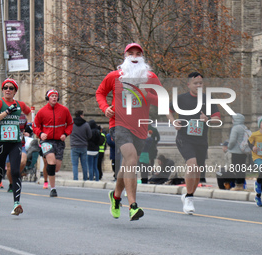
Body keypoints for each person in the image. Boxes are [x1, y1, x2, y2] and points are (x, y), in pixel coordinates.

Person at [96, 43, 163, 221]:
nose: (134, 56)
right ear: (125, 56)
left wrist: (146, 94)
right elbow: (100, 93)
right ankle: (133, 205)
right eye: (130, 53)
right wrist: (105, 108)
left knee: (127, 164)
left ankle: (116, 196)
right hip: (118, 124)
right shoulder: (115, 76)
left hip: (140, 127)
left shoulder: (150, 77)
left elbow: (162, 99)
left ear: (142, 57)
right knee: (131, 158)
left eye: (137, 54)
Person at [167, 72, 221, 214]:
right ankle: (190, 198)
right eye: (195, 83)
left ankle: (188, 194)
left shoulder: (208, 99)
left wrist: (207, 119)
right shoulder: (181, 99)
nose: (198, 86)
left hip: (201, 140)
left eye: (200, 83)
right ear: (189, 84)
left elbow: (217, 119)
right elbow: (167, 110)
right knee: (192, 165)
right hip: (184, 138)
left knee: (197, 171)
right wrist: (174, 122)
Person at [0, 78, 31, 215]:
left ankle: (16, 203)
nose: (8, 90)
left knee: (15, 171)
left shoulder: (20, 104)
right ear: (2, 90)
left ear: (15, 91)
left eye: (11, 88)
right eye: (5, 87)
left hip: (15, 142)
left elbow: (29, 112)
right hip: (1, 143)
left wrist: (27, 126)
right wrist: (7, 112)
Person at [33, 89, 73, 197]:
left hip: (59, 141)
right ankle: (53, 188)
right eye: (52, 96)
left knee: (56, 167)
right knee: (51, 162)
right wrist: (40, 134)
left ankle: (49, 175)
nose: (54, 98)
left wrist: (66, 133)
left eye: (56, 96)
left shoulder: (64, 110)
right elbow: (35, 126)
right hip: (46, 141)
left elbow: (70, 124)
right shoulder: (42, 111)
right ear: (48, 98)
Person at [6, 113, 30, 193]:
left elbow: (27, 127)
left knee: (23, 161)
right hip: (8, 144)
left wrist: (26, 132)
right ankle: (11, 183)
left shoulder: (23, 116)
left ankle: (16, 175)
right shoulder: (4, 115)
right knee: (9, 168)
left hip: (20, 143)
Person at [227, 113, 248, 191]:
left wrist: (229, 147)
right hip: (244, 152)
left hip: (236, 152)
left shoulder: (235, 128)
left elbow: (232, 141)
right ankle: (242, 184)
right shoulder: (244, 127)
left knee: (236, 168)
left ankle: (238, 185)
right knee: (242, 169)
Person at [70, 110, 92, 181]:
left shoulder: (72, 124)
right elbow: (89, 135)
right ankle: (85, 178)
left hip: (74, 146)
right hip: (83, 146)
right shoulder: (86, 124)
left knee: (75, 164)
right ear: (81, 115)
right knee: (84, 164)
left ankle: (75, 178)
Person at [249, 116, 262, 207]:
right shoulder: (255, 134)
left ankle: (258, 196)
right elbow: (248, 143)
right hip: (257, 157)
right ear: (260, 125)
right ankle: (257, 184)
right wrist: (252, 147)